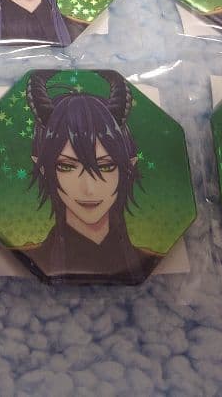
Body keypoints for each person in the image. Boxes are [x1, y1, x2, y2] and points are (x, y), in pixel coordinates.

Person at [17, 70, 161, 284]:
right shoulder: (30, 258)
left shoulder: (149, 260)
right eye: (66, 166)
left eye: (106, 166)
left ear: (128, 167)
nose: (89, 188)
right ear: (44, 168)